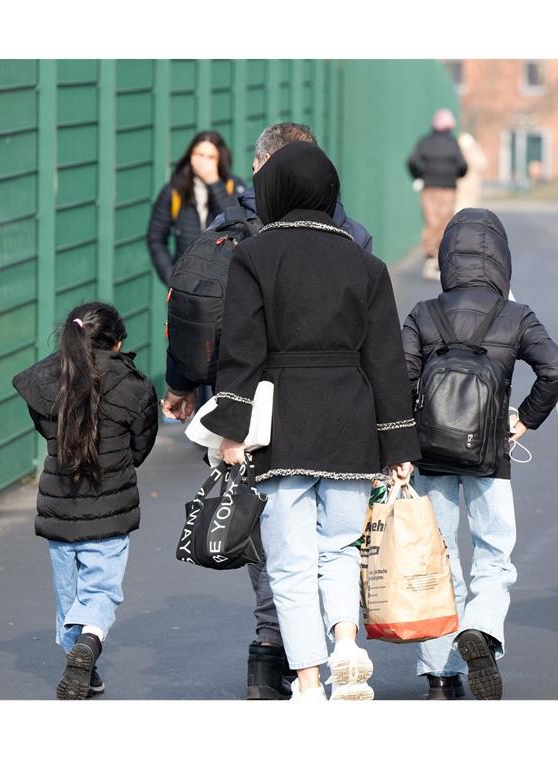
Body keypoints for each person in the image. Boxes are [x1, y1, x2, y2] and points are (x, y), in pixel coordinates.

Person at [160, 121, 376, 700]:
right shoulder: (348, 236)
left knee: (273, 540)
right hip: (339, 409)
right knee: (333, 543)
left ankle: (272, 654)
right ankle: (333, 645)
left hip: (245, 403)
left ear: (260, 167)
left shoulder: (229, 232)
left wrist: (185, 388)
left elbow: (197, 313)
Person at [201, 141, 420, 701]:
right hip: (351, 420)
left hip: (283, 425)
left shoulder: (255, 257)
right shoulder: (365, 263)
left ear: (273, 191)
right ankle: (347, 642)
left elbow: (243, 351)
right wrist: (398, 444)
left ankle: (308, 680)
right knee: (341, 548)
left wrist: (232, 428)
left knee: (292, 560)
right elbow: (385, 359)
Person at [401, 208, 558, 700]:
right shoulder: (515, 316)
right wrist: (523, 420)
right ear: (501, 259)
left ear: (446, 256)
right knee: (494, 554)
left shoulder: (423, 312)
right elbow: (555, 366)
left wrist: (404, 442)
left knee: (438, 557)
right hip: (489, 454)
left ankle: (439, 673)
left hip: (429, 455)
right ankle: (480, 627)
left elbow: (398, 379)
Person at [12, 302, 159, 699]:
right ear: (118, 343)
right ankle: (90, 644)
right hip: (109, 509)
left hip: (59, 507)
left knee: (69, 593)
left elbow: (46, 428)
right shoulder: (134, 385)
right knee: (101, 590)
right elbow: (141, 446)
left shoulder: (47, 380)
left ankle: (80, 664)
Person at [146, 130, 245, 286]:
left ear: (220, 160)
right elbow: (156, 238)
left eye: (211, 157)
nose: (204, 161)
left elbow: (237, 223)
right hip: (186, 283)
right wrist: (172, 277)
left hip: (224, 284)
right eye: (199, 154)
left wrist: (213, 182)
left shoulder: (234, 187)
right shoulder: (174, 190)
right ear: (190, 156)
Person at [408, 109, 468, 280]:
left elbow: (412, 161)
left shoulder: (424, 142)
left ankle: (429, 258)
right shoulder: (452, 143)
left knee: (430, 221)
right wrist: (456, 174)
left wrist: (419, 175)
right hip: (448, 187)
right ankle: (440, 259)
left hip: (429, 186)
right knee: (444, 222)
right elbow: (463, 166)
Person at [454, 132, 486, 213]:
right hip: (461, 185)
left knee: (470, 206)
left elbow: (482, 164)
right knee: (460, 206)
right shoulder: (457, 152)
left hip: (471, 184)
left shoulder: (475, 153)